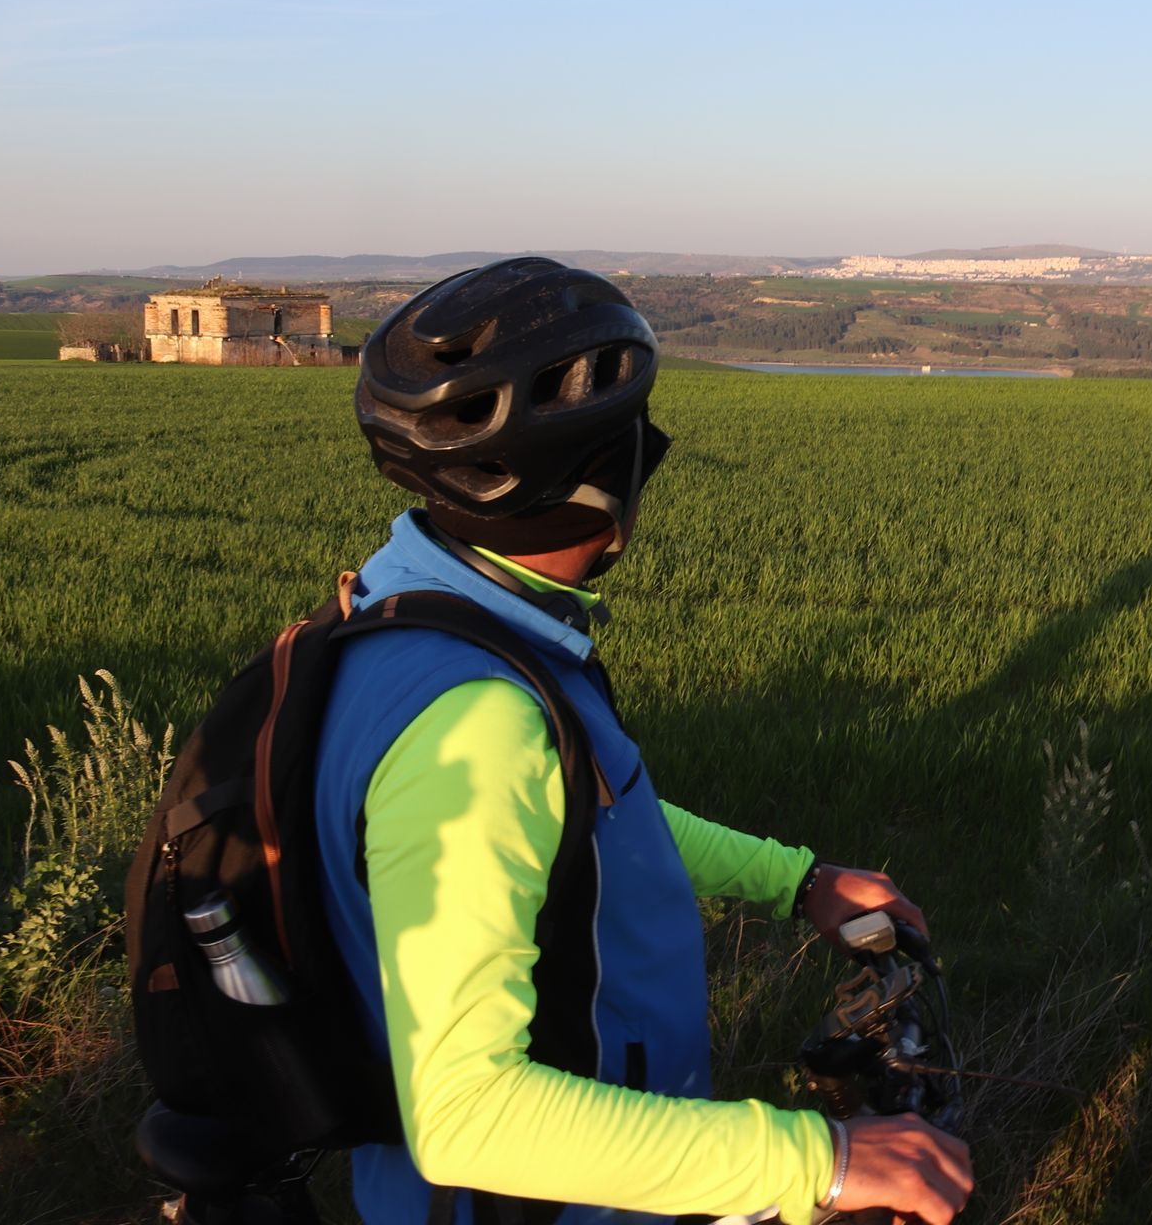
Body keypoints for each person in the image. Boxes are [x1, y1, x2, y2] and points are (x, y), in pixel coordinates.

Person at [312, 258, 974, 1225]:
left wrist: (792, 879)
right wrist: (817, 1159)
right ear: (605, 481)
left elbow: (590, 815)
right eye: (635, 439)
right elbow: (465, 1114)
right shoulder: (478, 716)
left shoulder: (418, 616)